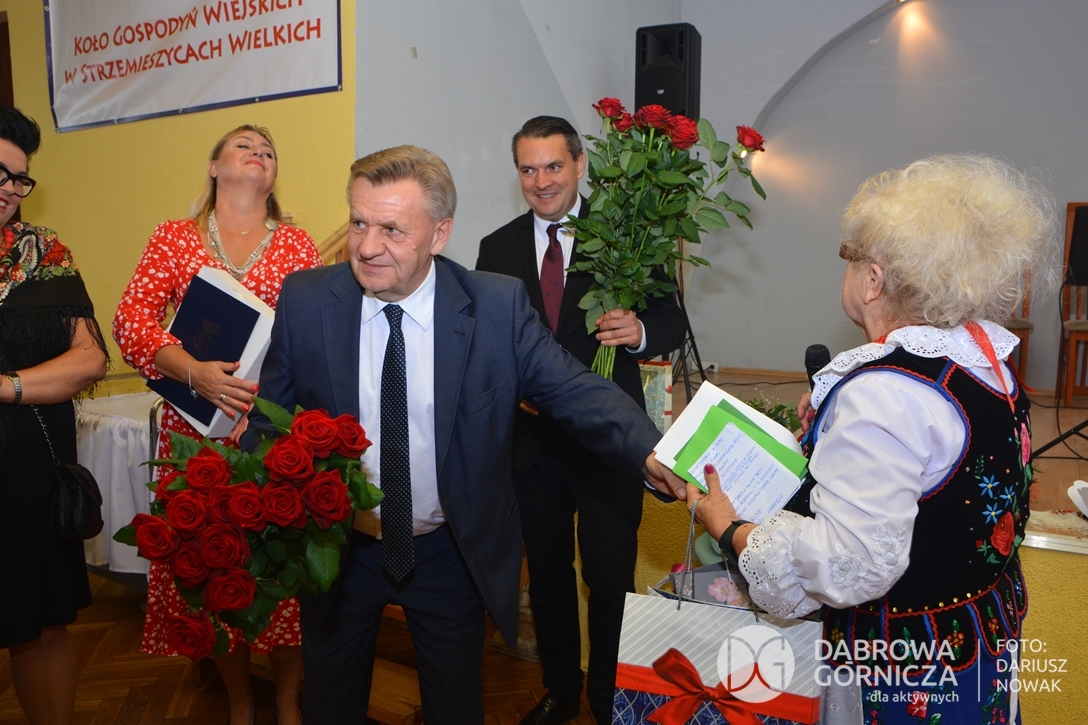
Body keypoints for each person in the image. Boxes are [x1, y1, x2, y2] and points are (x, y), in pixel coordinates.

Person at [243, 144, 685, 725]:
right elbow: (268, 423)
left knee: (455, 709)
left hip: (451, 554)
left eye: (392, 230)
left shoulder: (495, 306)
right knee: (330, 706)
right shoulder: (307, 300)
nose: (367, 247)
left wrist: (650, 451)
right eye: (358, 223)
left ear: (440, 234)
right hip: (338, 553)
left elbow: (574, 388)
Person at [686, 154, 1061, 725]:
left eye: (850, 255)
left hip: (903, 670)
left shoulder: (883, 394)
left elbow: (850, 564)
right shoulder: (985, 360)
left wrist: (731, 528)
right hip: (976, 640)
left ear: (873, 279)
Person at [476, 116, 685, 725]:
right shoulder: (496, 247)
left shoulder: (626, 237)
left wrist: (639, 330)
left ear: (579, 164)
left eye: (553, 166)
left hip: (607, 443)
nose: (541, 181)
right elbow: (485, 338)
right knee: (546, 577)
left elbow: (672, 321)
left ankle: (608, 700)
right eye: (528, 169)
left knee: (609, 577)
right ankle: (561, 691)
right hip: (531, 444)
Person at [113, 125, 322, 725]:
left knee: (281, 571)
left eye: (268, 151)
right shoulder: (173, 238)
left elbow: (315, 334)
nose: (258, 154)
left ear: (274, 175)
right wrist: (193, 371)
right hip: (193, 436)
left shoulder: (297, 245)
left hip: (272, 435)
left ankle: (288, 702)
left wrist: (279, 407)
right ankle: (238, 702)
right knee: (216, 569)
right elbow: (131, 320)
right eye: (244, 146)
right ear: (213, 167)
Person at [0, 104, 109, 725]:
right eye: (0, 172)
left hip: (33, 474)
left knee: (40, 625)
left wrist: (7, 386)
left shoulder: (43, 253)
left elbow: (89, 358)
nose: (10, 189)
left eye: (20, 178)